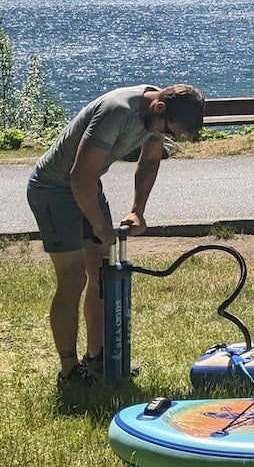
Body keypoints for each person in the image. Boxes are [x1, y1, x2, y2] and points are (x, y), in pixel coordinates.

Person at [26, 84, 205, 387]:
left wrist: (138, 209)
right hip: (53, 190)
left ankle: (96, 357)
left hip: (87, 186)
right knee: (73, 278)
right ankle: (69, 372)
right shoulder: (117, 111)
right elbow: (79, 173)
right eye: (170, 132)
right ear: (159, 108)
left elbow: (149, 160)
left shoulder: (158, 115)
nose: (168, 137)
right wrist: (99, 225)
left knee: (101, 273)